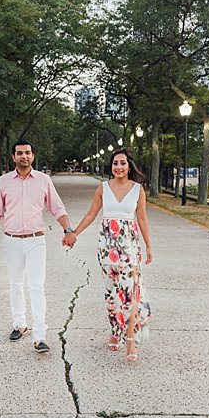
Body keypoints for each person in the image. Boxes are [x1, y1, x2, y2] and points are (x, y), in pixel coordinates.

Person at [0, 140, 77, 354]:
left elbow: (57, 208)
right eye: (19, 153)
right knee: (15, 283)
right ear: (13, 157)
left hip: (36, 240)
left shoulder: (43, 181)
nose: (23, 156)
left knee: (36, 285)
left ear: (33, 156)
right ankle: (19, 324)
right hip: (12, 239)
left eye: (27, 153)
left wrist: (68, 229)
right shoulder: (3, 182)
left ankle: (40, 336)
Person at [71, 148, 153, 362]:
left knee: (131, 292)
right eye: (115, 163)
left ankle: (130, 338)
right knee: (112, 292)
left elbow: (142, 219)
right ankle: (115, 330)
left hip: (129, 247)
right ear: (111, 166)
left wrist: (149, 247)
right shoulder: (103, 188)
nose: (119, 167)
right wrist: (74, 233)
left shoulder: (138, 190)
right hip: (107, 248)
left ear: (129, 166)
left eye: (123, 163)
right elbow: (91, 214)